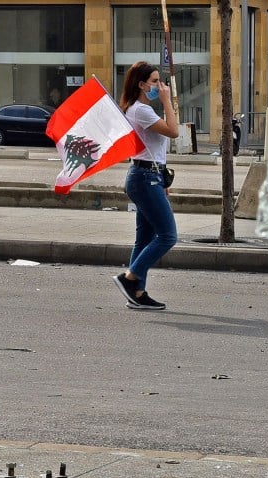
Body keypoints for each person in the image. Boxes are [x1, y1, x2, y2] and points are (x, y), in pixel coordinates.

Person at [112, 61, 178, 311]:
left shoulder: (140, 109)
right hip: (144, 177)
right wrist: (168, 101)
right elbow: (173, 131)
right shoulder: (141, 111)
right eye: (154, 81)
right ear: (141, 85)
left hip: (149, 176)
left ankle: (137, 292)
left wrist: (162, 178)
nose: (159, 86)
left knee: (144, 239)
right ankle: (129, 278)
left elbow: (155, 149)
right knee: (168, 236)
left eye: (159, 81)